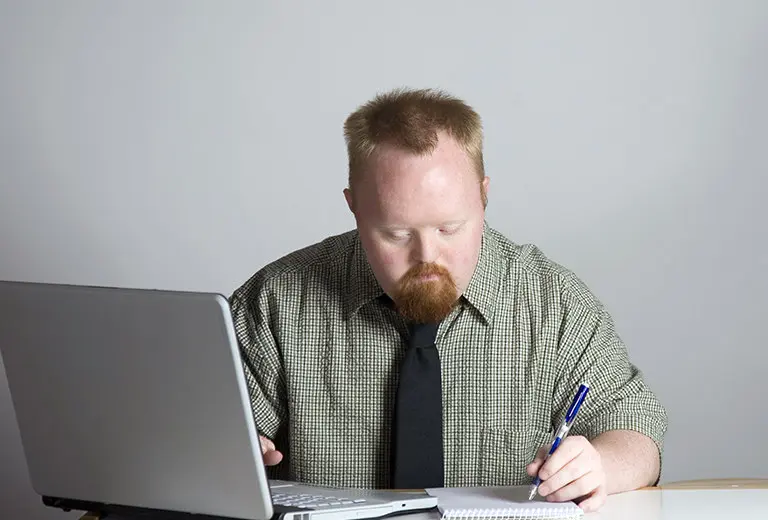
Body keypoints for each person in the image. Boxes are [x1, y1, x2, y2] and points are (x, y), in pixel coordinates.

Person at [229, 87, 668, 513]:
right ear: (354, 206)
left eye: (449, 228)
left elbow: (638, 431)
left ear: (483, 195)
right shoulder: (275, 302)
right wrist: (227, 453)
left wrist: (599, 465)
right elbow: (213, 438)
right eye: (396, 234)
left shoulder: (554, 304)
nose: (427, 257)